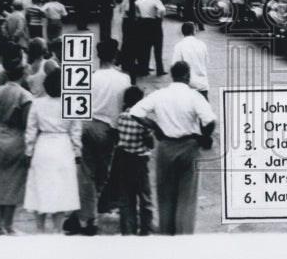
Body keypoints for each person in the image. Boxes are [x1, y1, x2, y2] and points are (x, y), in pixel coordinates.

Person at [130, 61, 216, 235]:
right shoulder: (194, 96)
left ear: (172, 75)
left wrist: (155, 127)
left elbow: (136, 112)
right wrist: (203, 137)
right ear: (187, 75)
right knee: (187, 197)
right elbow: (210, 121)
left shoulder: (160, 95)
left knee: (165, 195)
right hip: (189, 147)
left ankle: (166, 234)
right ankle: (183, 236)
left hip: (165, 147)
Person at [70, 39, 130, 236]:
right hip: (107, 129)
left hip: (86, 125)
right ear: (115, 55)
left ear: (98, 55)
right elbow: (124, 107)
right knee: (101, 176)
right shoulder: (124, 79)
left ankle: (83, 215)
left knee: (86, 173)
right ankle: (89, 217)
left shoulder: (89, 77)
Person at [23, 68, 82, 233]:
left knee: (40, 188)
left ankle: (40, 229)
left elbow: (31, 130)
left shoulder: (37, 103)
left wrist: (29, 151)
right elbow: (76, 131)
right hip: (63, 147)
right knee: (61, 190)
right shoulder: (72, 103)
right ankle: (57, 229)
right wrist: (77, 152)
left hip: (43, 146)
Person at [0, 52, 33, 235]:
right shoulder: (25, 96)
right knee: (14, 184)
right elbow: (26, 124)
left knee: (1, 182)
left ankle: (0, 223)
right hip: (16, 140)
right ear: (22, 73)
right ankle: (8, 224)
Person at [112, 86, 155, 235]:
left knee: (126, 199)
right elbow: (150, 143)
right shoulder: (142, 120)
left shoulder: (121, 117)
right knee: (144, 197)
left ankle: (128, 231)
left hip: (124, 160)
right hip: (140, 161)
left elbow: (117, 137)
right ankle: (145, 229)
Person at [135, 0, 166, 77]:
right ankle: (159, 70)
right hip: (154, 24)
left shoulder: (138, 1)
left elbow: (136, 12)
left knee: (145, 47)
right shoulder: (156, 0)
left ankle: (144, 69)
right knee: (158, 48)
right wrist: (159, 16)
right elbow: (162, 10)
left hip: (143, 24)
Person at [172, 22, 209, 100]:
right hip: (202, 84)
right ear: (194, 31)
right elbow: (206, 62)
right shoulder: (202, 44)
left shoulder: (179, 46)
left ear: (182, 32)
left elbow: (175, 65)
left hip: (187, 85)